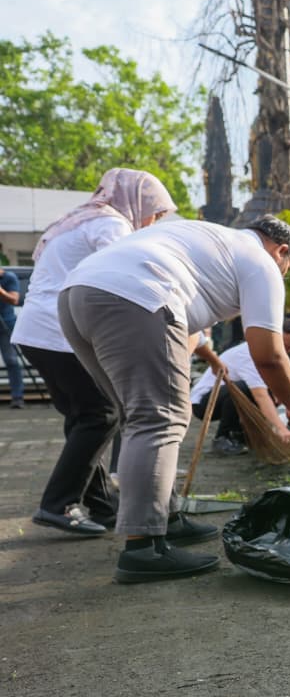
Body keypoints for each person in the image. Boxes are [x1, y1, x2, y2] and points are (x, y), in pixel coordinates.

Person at [59, 214, 290, 583]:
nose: (283, 274)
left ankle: (165, 515)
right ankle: (143, 547)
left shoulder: (206, 237)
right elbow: (270, 355)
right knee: (158, 420)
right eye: (287, 268)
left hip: (77, 296)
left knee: (138, 418)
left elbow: (188, 334)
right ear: (281, 250)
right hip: (135, 296)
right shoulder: (261, 261)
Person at [12, 168, 190, 537]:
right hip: (57, 332)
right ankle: (57, 503)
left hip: (37, 330)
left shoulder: (80, 221)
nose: (154, 222)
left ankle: (101, 504)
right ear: (136, 201)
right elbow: (123, 277)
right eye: (155, 213)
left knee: (84, 417)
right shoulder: (110, 226)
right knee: (102, 414)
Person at [191, 319, 290, 454]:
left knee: (268, 394)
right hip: (204, 403)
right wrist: (280, 429)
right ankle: (224, 437)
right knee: (244, 388)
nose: (286, 352)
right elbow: (260, 395)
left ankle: (242, 434)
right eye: (283, 347)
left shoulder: (269, 356)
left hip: (226, 395)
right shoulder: (250, 353)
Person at [0, 266, 23, 409]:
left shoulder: (9, 277)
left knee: (11, 360)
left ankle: (17, 397)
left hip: (6, 323)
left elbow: (14, 300)